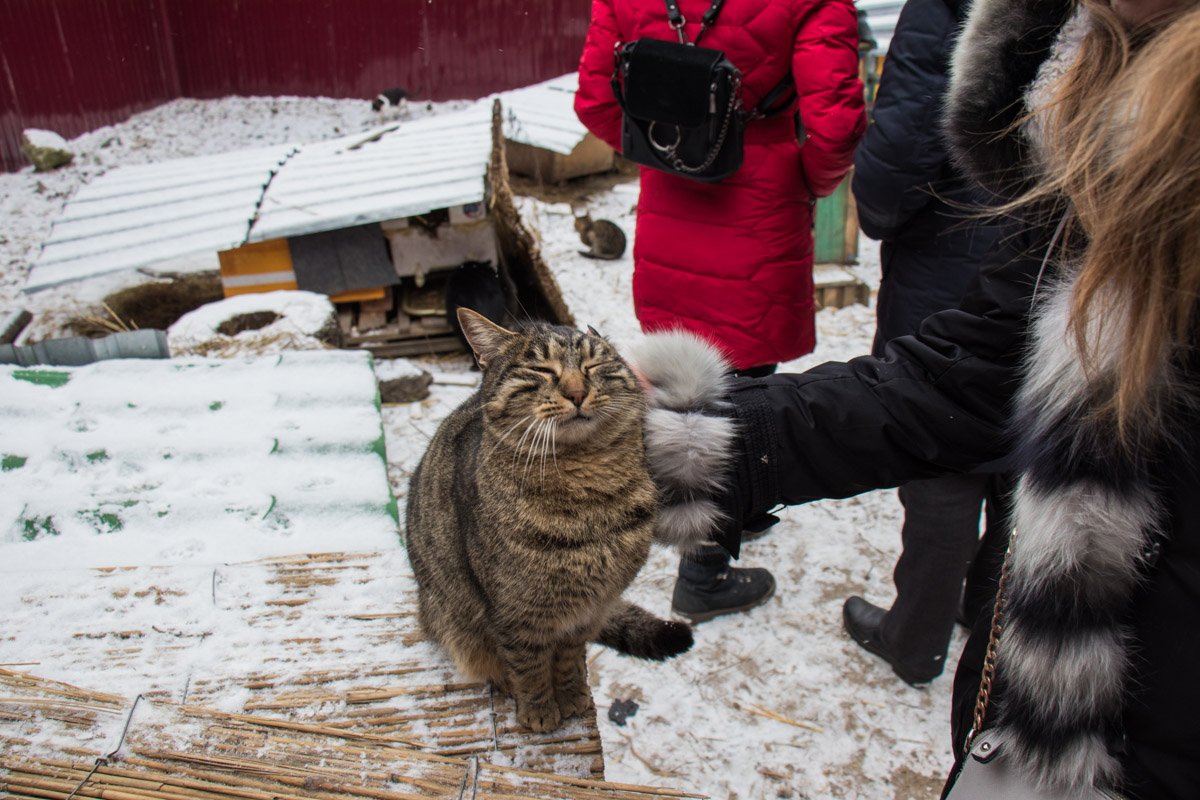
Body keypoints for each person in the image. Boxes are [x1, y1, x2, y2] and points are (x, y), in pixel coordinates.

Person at [640, 0, 1200, 794]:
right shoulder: (1099, 132)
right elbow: (957, 381)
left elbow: (883, 170)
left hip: (1140, 745)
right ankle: (939, 625)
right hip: (1036, 737)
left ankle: (914, 631)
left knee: (941, 501)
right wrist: (685, 441)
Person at [574, 0, 866, 622]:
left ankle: (736, 502)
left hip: (671, 198)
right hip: (759, 199)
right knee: (738, 388)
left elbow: (596, 103)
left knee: (690, 379)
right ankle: (702, 573)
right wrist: (802, 179)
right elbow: (835, 126)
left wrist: (671, 150)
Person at [843, 0, 1015, 686]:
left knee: (942, 455)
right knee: (1019, 455)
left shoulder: (946, 9)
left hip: (954, 270)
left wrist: (880, 206)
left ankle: (914, 639)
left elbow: (891, 177)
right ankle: (990, 610)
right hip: (1058, 271)